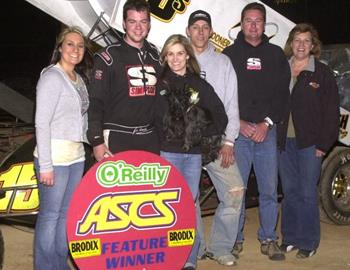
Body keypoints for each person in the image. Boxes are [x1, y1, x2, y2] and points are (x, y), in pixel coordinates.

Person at [222, 2, 290, 261]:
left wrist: (267, 123)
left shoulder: (275, 55)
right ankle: (235, 239)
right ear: (241, 23)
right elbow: (222, 95)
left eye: (258, 20)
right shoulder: (228, 54)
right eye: (248, 20)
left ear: (264, 24)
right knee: (236, 190)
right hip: (237, 134)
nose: (253, 25)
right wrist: (237, 122)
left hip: (266, 133)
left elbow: (283, 95)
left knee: (269, 190)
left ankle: (269, 238)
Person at [155, 34, 228, 270]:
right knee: (169, 206)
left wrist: (202, 134)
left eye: (179, 53)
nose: (175, 59)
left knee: (189, 204)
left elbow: (220, 115)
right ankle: (169, 256)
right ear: (165, 58)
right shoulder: (159, 84)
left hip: (193, 155)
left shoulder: (199, 84)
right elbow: (151, 118)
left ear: (187, 55)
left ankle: (188, 258)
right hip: (167, 153)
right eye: (170, 54)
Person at [186, 10, 244, 266]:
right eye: (195, 26)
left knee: (235, 190)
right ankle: (194, 249)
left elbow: (232, 105)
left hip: (215, 141)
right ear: (188, 31)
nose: (200, 31)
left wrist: (229, 140)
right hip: (184, 145)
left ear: (211, 32)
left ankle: (221, 247)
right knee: (188, 198)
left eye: (204, 27)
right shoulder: (179, 59)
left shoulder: (223, 63)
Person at [278, 23, 339, 259]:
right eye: (297, 40)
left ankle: (309, 240)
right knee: (289, 192)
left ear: (313, 46)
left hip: (310, 144)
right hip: (284, 143)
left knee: (306, 192)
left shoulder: (321, 73)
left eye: (306, 41)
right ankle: (290, 237)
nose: (301, 45)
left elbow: (332, 112)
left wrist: (324, 144)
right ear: (290, 43)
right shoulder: (282, 69)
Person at [34, 26, 92, 269]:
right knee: (49, 216)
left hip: (76, 157)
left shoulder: (78, 79)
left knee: (66, 216)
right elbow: (41, 122)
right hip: (54, 158)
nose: (75, 49)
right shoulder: (51, 77)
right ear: (60, 47)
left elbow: (82, 119)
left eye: (80, 46)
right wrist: (46, 166)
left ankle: (59, 263)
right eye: (70, 44)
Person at [87, 0, 161, 160]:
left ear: (149, 25)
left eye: (143, 21)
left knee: (148, 186)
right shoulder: (108, 57)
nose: (138, 27)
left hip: (150, 139)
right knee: (117, 186)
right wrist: (96, 140)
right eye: (132, 21)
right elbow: (95, 102)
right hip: (117, 138)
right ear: (124, 24)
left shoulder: (156, 56)